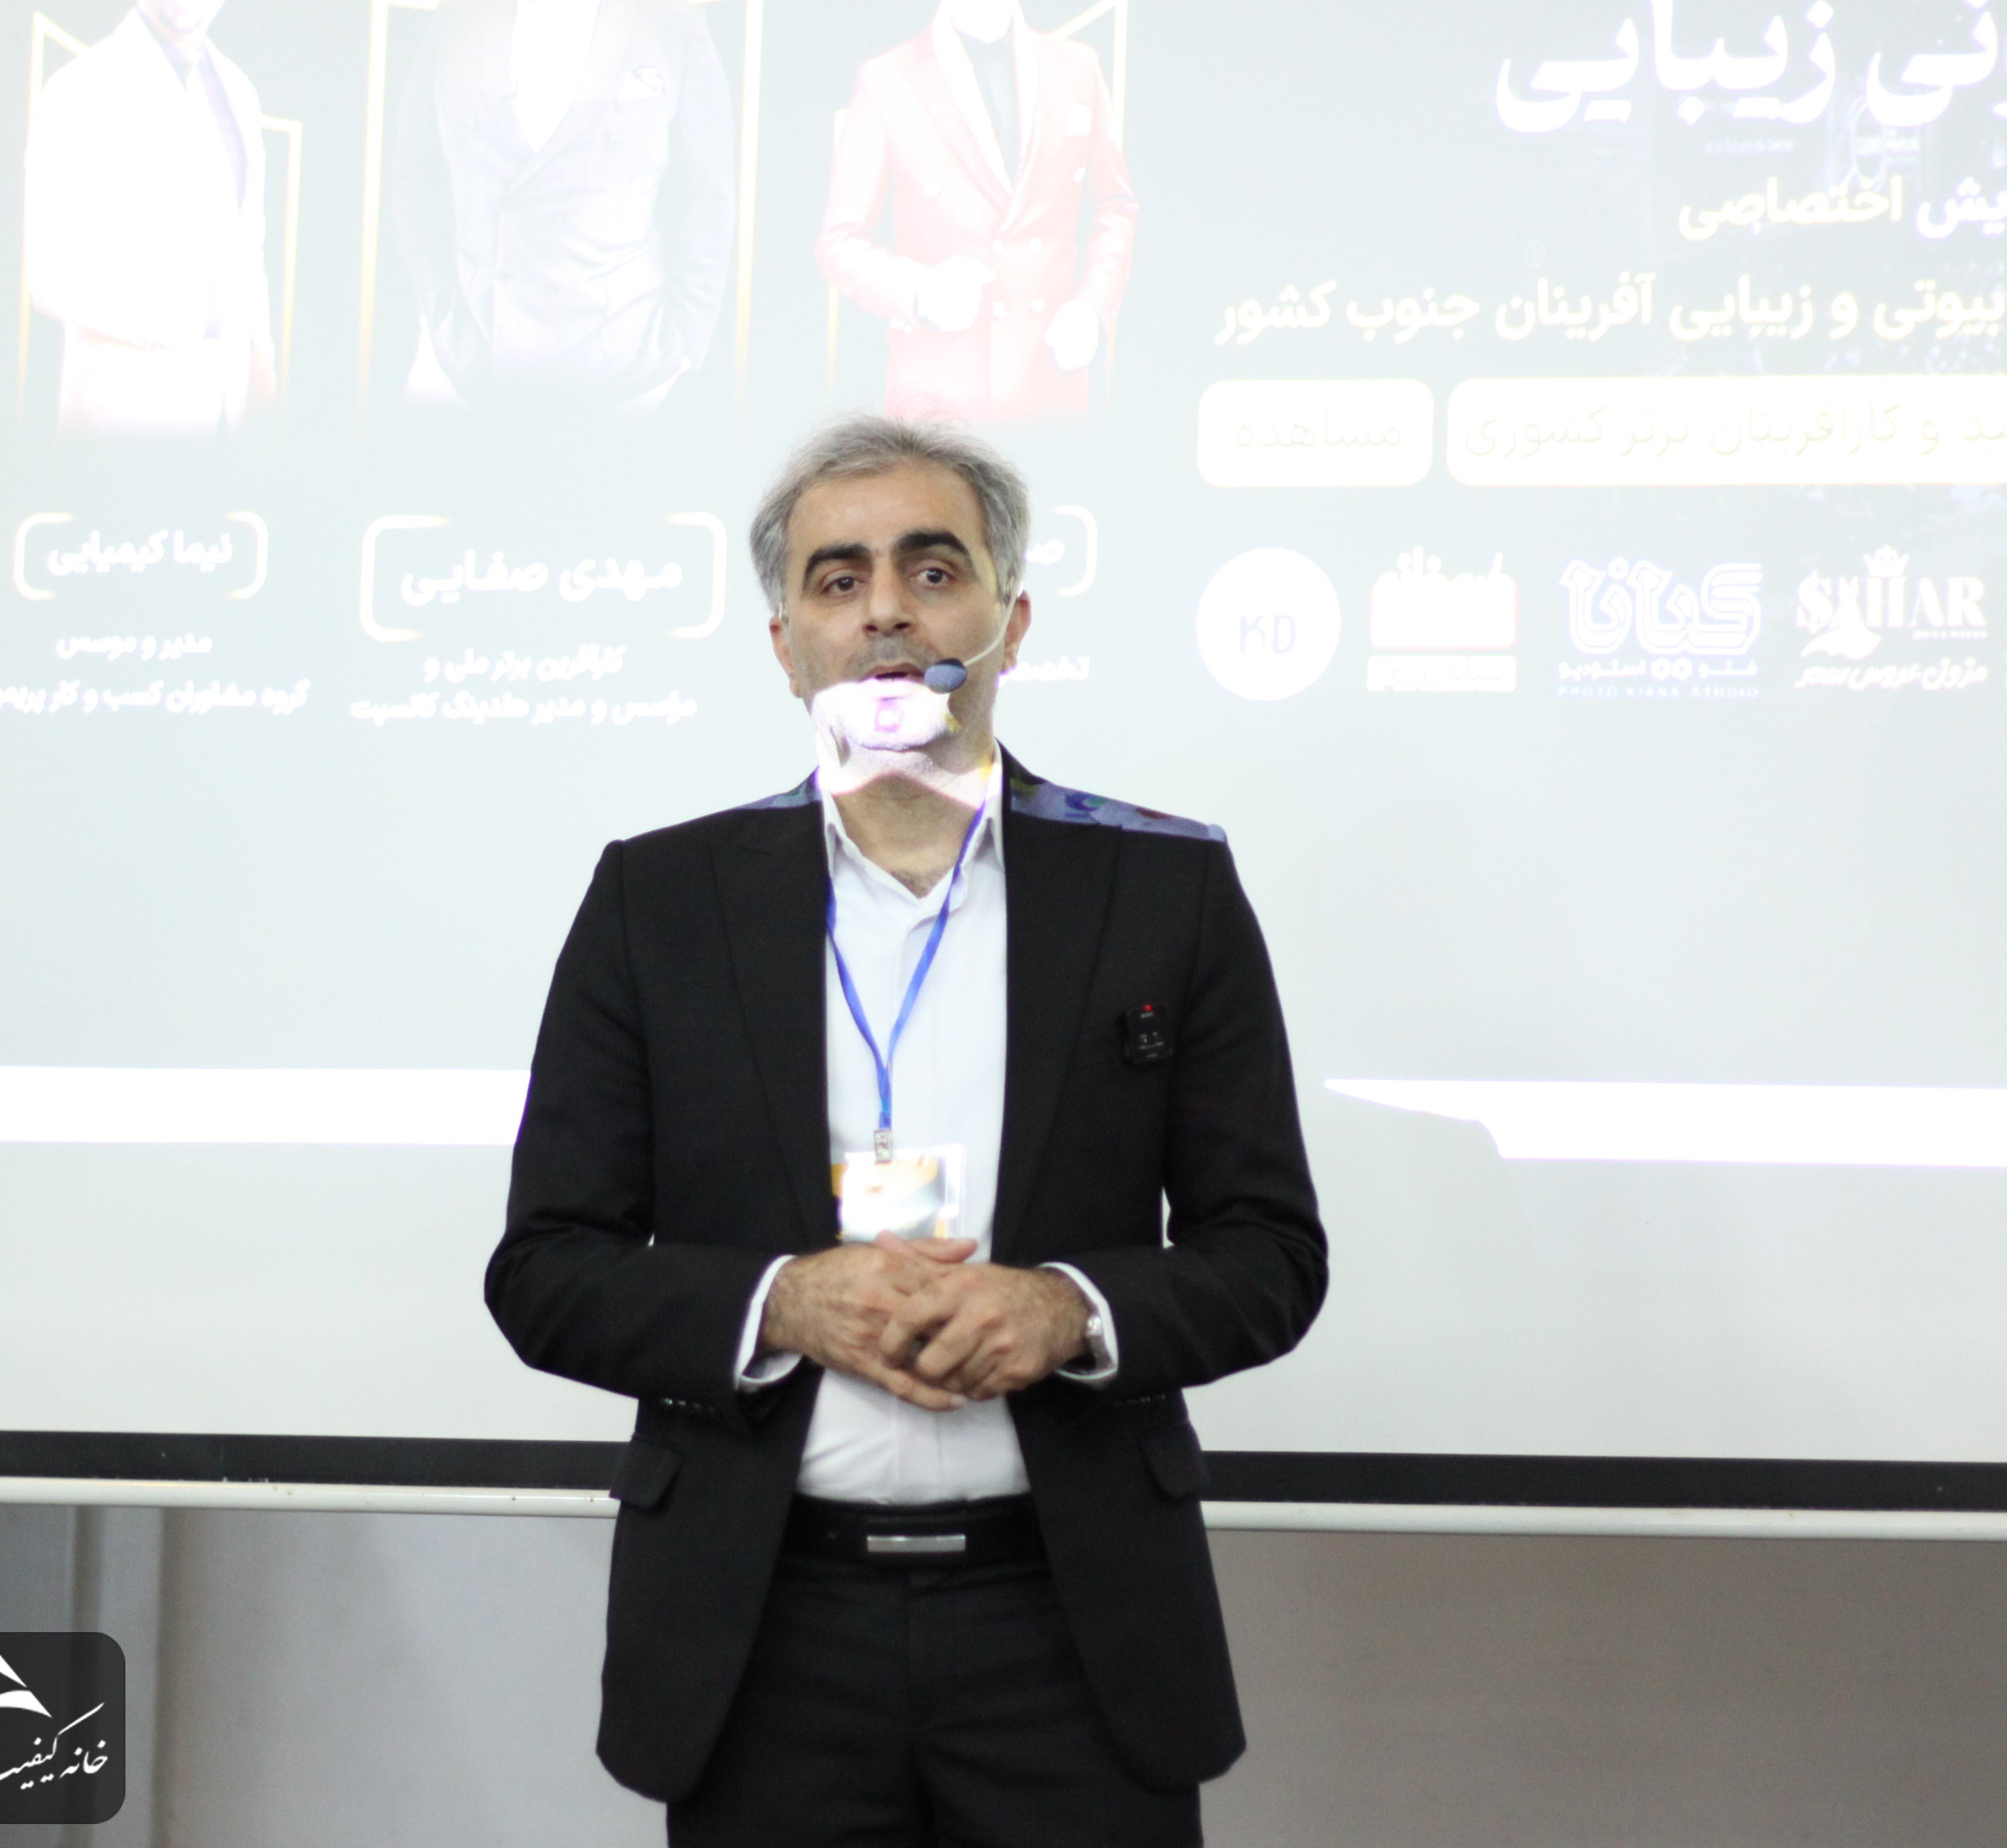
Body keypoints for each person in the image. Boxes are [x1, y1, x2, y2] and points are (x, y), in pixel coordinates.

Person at [488, 415, 1327, 1846]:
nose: (885, 609)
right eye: (839, 578)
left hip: (1070, 1626)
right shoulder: (659, 902)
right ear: (786, 645)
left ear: (1009, 621)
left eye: (932, 571)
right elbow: (547, 1268)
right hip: (765, 1629)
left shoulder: (1161, 890)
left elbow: (1269, 1253)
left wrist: (1068, 1311)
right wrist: (782, 1302)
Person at [392, 0, 736, 413]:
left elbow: (708, 195)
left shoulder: (671, 20)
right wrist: (442, 317)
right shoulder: (460, 16)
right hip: (462, 374)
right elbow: (415, 178)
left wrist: (685, 341)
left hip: (625, 381)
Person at [815, 0, 1135, 423]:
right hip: (937, 399)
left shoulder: (1078, 68)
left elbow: (1115, 208)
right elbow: (839, 242)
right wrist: (921, 293)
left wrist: (1092, 308)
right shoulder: (886, 81)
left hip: (1050, 385)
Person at [23, 0, 277, 436]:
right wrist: (200, 315)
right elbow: (55, 276)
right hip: (125, 418)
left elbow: (247, 246)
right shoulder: (79, 88)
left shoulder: (239, 90)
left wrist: (261, 367)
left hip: (228, 418)